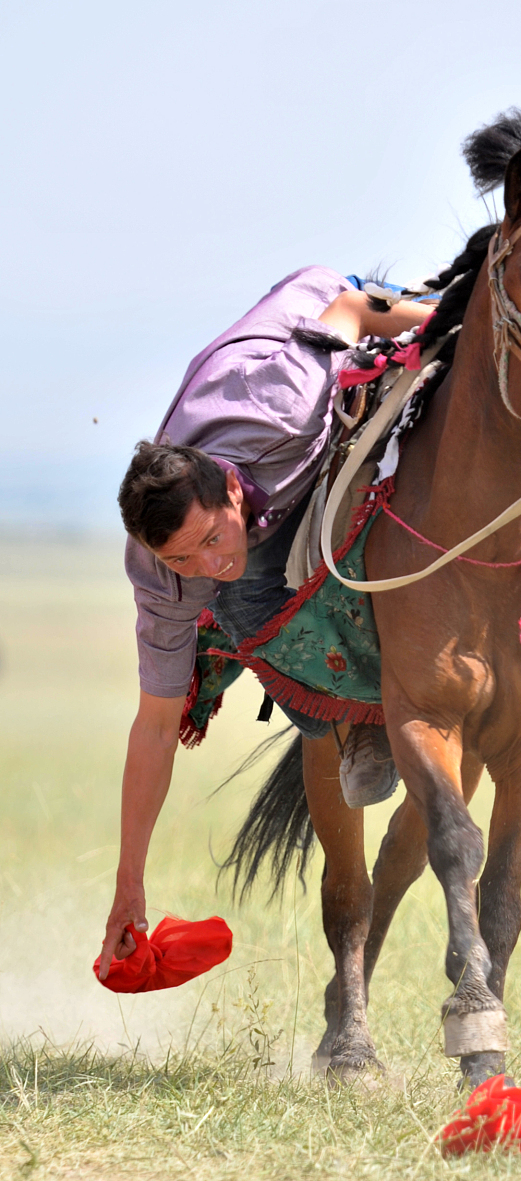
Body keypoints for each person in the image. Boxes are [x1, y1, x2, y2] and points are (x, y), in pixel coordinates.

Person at [98, 266, 433, 980]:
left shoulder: (281, 404)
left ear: (226, 489)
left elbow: (349, 307)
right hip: (268, 502)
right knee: (253, 614)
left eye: (210, 540)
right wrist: (130, 881)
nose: (205, 565)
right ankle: (348, 725)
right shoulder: (165, 571)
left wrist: (436, 321)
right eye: (183, 559)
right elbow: (155, 727)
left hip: (331, 318)